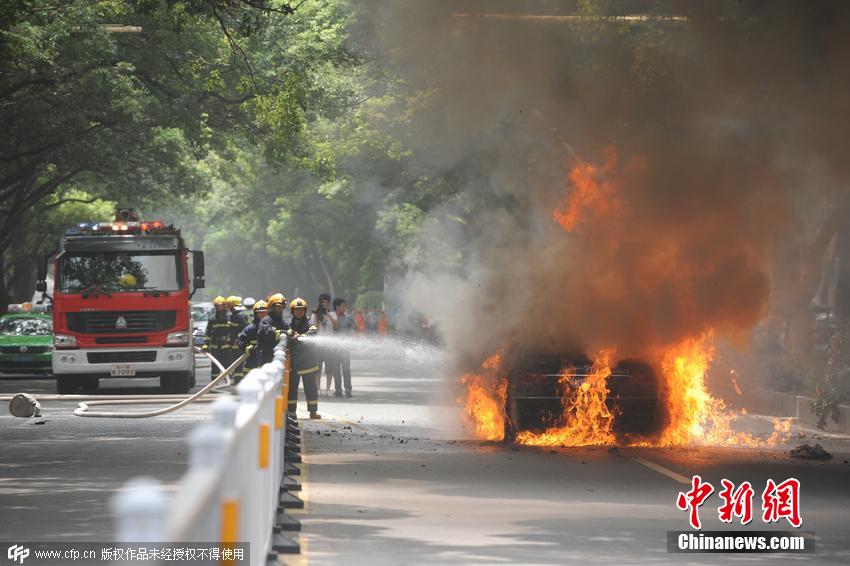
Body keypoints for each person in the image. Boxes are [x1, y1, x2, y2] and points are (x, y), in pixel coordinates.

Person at [287, 297, 321, 418]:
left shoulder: (310, 323)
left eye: (301, 309)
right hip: (294, 363)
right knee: (292, 390)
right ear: (292, 311)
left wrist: (300, 336)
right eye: (296, 309)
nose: (299, 311)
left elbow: (312, 333)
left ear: (305, 310)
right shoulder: (288, 323)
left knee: (311, 389)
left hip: (308, 362)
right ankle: (291, 412)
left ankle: (313, 411)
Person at [310, 292, 338, 393]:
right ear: (320, 303)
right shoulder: (315, 314)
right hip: (318, 345)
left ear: (329, 303)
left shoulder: (333, 314)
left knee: (329, 369)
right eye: (323, 302)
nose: (325, 304)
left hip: (329, 345)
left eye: (327, 302)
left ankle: (328, 389)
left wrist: (327, 315)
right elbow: (314, 328)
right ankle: (318, 389)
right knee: (317, 368)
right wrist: (317, 315)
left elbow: (336, 326)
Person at [235, 300, 268, 383]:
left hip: (267, 362)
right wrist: (248, 348)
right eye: (259, 312)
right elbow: (240, 341)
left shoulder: (272, 327)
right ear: (255, 313)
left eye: (264, 312)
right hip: (251, 363)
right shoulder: (250, 328)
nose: (262, 314)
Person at [256, 293, 290, 365]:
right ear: (271, 307)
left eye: (282, 307)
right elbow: (267, 333)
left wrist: (292, 335)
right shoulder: (265, 321)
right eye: (278, 307)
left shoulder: (283, 322)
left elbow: (288, 331)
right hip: (266, 359)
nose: (281, 310)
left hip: (280, 358)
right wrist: (283, 332)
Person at [330, 298, 355, 397]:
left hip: (345, 348)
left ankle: (348, 390)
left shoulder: (348, 318)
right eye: (343, 306)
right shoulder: (332, 318)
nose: (345, 308)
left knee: (346, 369)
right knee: (336, 370)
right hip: (334, 348)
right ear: (337, 307)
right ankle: (338, 390)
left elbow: (354, 329)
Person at [203, 296, 231, 378]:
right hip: (215, 345)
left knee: (227, 363)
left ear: (224, 306)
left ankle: (228, 379)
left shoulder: (229, 317)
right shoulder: (212, 318)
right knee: (215, 364)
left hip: (226, 345)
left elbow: (231, 331)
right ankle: (214, 381)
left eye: (221, 305)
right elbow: (208, 332)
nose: (219, 307)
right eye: (217, 306)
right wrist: (206, 344)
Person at [226, 295, 249, 380]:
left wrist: (234, 341)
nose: (228, 308)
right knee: (238, 363)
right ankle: (237, 379)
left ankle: (238, 380)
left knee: (238, 363)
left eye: (228, 306)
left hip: (238, 344)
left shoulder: (237, 316)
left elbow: (235, 331)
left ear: (231, 306)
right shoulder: (240, 314)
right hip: (239, 343)